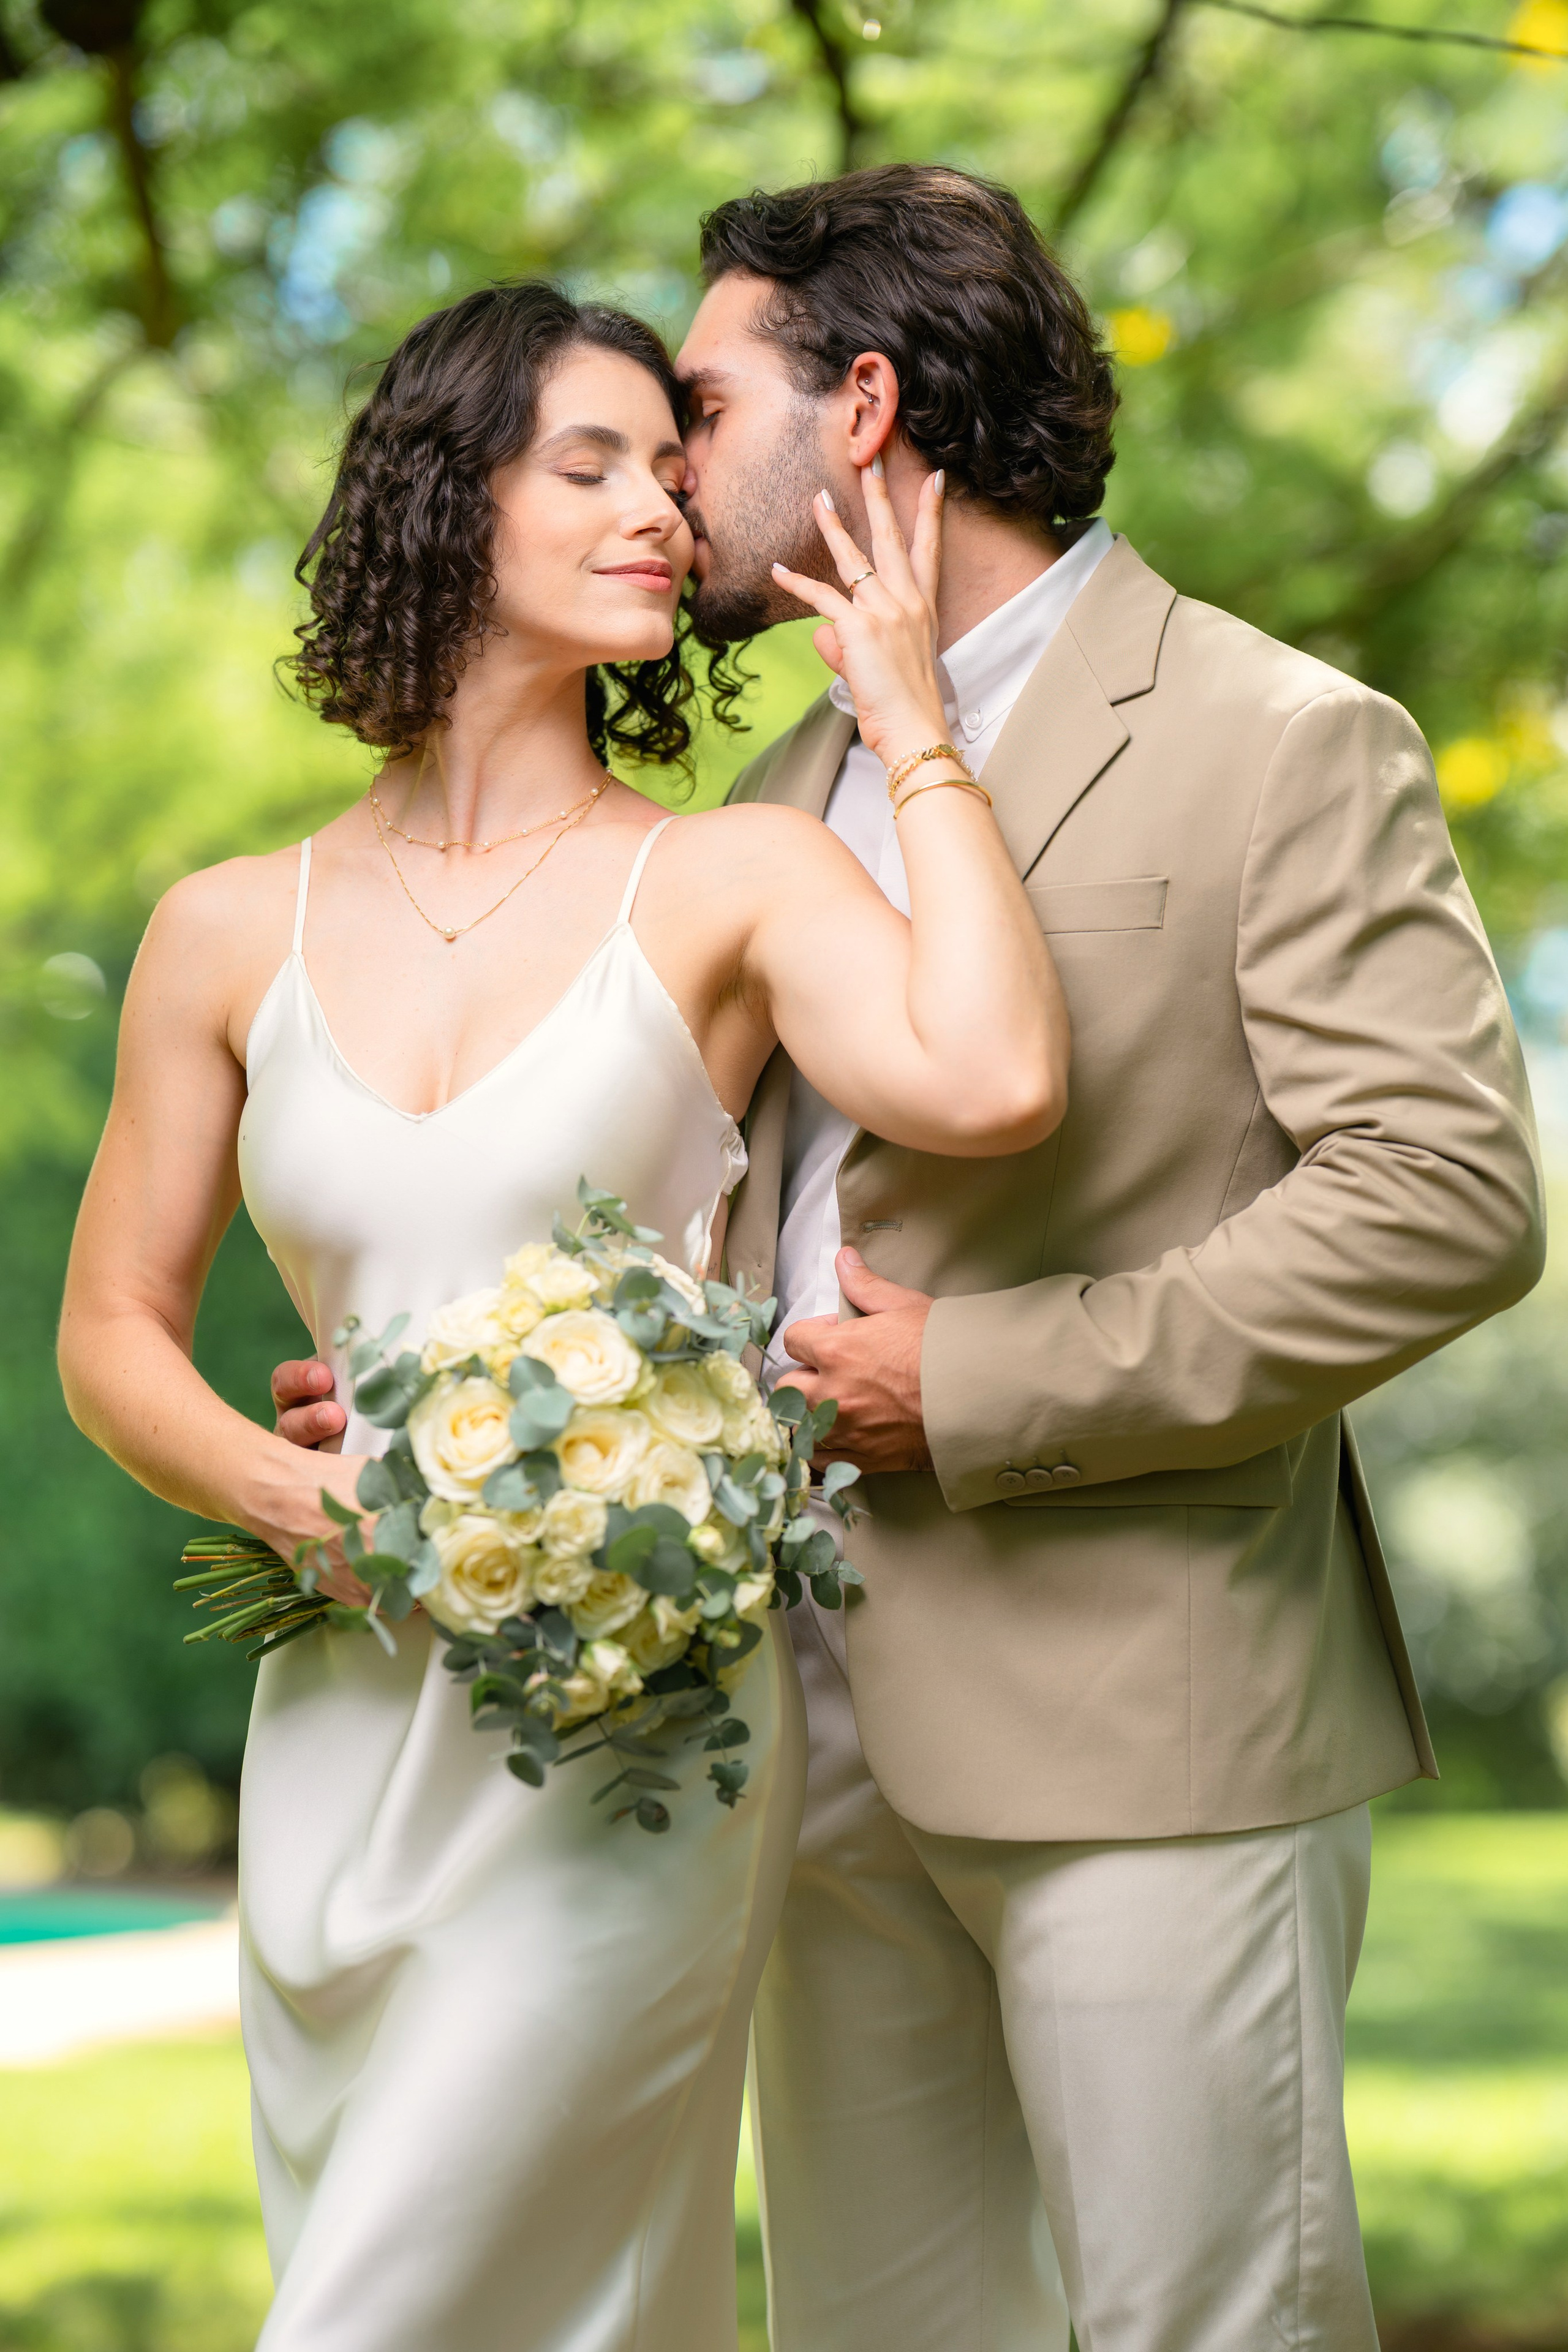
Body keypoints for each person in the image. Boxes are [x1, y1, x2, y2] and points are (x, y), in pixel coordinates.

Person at [270, 170, 1544, 2351]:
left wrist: (982, 1385)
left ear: (863, 409)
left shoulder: (1280, 737)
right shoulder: (786, 784)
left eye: (700, 403)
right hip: (792, 1735)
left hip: (1152, 1707)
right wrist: (443, 1401)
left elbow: (1446, 1196)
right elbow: (699, 1215)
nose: (668, 472)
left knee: (1206, 2324)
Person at [56, 279, 1069, 2352]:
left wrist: (911, 717)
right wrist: (296, 1497)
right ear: (447, 499)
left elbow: (992, 1078)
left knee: (384, 2308)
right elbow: (112, 1333)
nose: (657, 513)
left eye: (667, 472)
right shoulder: (221, 929)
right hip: (341, 1719)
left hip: (635, 1730)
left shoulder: (735, 881)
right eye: (587, 464)